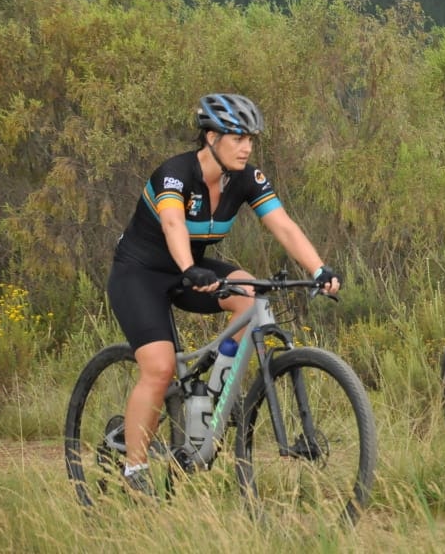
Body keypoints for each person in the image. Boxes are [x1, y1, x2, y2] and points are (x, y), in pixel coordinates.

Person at [107, 93, 340, 495]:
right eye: (238, 138)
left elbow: (283, 226)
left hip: (189, 270)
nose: (247, 147)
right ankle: (134, 470)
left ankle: (215, 388)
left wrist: (318, 269)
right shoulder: (175, 174)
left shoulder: (246, 178)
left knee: (250, 292)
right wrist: (188, 268)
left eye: (250, 139)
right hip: (140, 275)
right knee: (160, 367)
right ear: (211, 138)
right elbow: (173, 225)